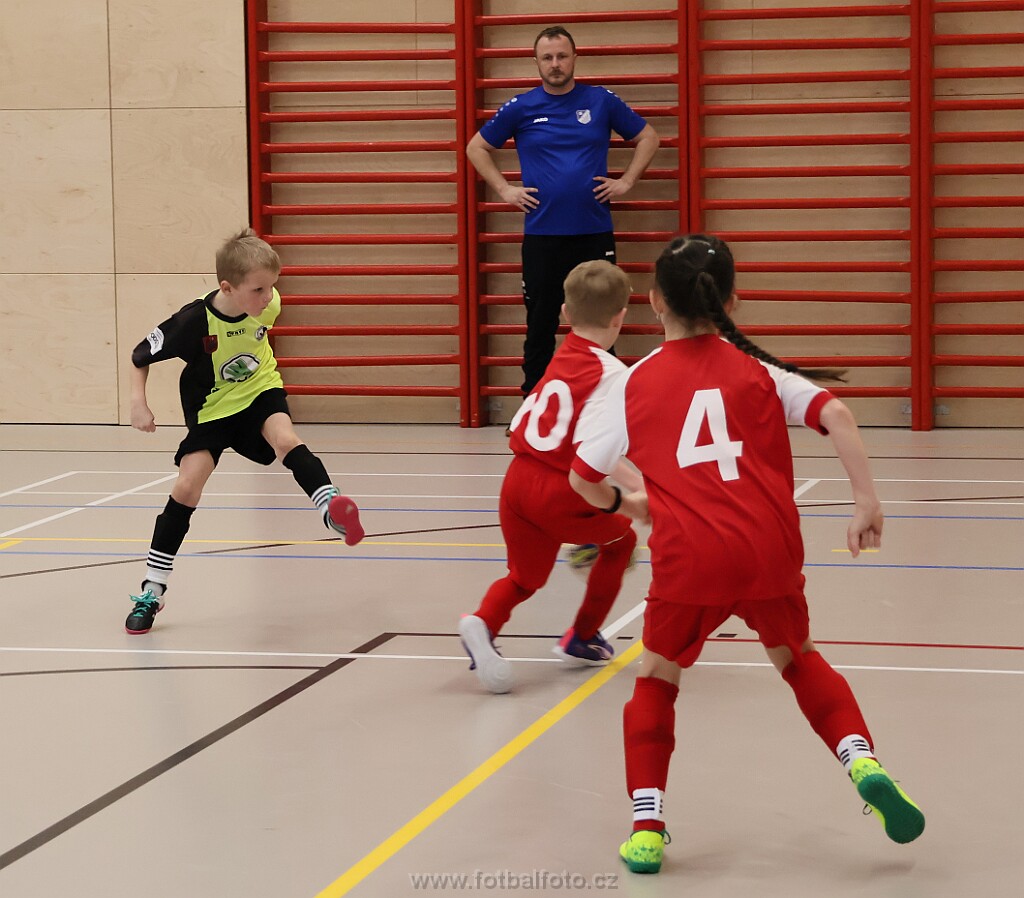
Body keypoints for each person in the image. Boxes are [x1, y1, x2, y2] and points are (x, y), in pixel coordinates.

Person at [569, 235, 925, 873]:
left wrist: (630, 504)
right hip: (769, 551)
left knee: (656, 678)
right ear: (732, 301)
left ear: (654, 302)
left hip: (689, 560)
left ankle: (647, 826)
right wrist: (866, 502)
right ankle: (862, 761)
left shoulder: (631, 382)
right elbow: (839, 416)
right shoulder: (761, 369)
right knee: (799, 658)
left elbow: (582, 479)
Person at [124, 228, 364, 634]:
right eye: (258, 290)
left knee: (286, 439)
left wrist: (264, 295)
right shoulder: (192, 321)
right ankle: (153, 588)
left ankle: (330, 509)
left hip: (259, 391)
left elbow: (262, 319)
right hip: (213, 408)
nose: (269, 297)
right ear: (227, 288)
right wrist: (138, 402)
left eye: (272, 287)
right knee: (187, 486)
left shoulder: (267, 304)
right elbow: (139, 356)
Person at [458, 260, 645, 694]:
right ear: (620, 317)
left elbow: (532, 429)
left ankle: (483, 623)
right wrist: (637, 493)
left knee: (524, 577)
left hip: (517, 482)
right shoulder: (613, 376)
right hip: (561, 491)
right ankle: (583, 636)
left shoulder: (562, 357)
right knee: (622, 542)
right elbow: (591, 456)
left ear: (564, 313)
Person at [466, 25, 660, 397]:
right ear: (537, 62)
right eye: (547, 57)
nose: (555, 64)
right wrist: (505, 189)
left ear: (574, 58)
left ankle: (606, 405)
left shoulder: (600, 100)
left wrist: (627, 181)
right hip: (542, 235)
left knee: (603, 322)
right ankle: (532, 406)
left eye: (561, 56)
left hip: (593, 232)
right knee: (540, 326)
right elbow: (476, 147)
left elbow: (648, 137)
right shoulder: (521, 106)